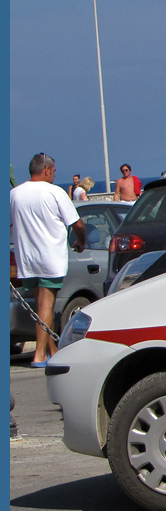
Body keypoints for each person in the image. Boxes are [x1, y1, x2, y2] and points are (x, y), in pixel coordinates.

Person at [10, 153, 86, 367]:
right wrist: (81, 240)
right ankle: (40, 354)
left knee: (41, 305)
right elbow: (77, 224)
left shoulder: (15, 194)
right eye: (53, 171)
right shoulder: (55, 192)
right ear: (46, 170)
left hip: (26, 257)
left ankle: (52, 349)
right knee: (47, 304)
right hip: (50, 257)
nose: (54, 174)